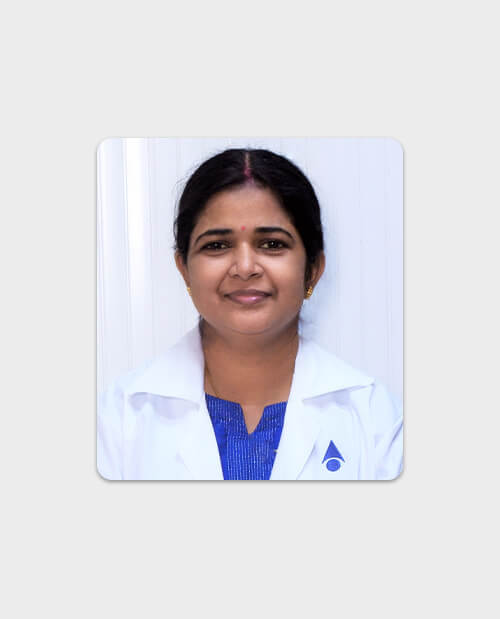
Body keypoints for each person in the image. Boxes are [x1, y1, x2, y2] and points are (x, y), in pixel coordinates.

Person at [97, 148, 403, 480]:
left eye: (272, 244)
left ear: (313, 269)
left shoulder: (375, 419)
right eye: (217, 245)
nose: (244, 268)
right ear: (184, 268)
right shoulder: (116, 421)